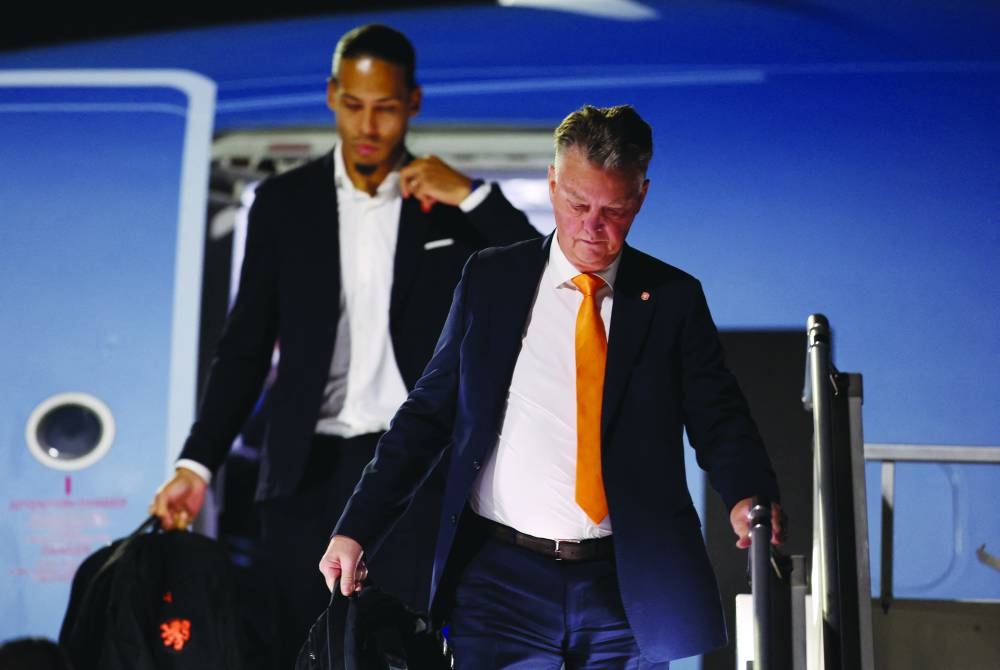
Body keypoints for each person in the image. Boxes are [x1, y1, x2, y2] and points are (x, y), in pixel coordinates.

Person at [319, 104, 786, 668]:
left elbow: (720, 416)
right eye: (577, 203)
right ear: (552, 182)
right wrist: (356, 528)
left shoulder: (673, 299)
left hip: (626, 584)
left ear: (640, 196)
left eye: (613, 210)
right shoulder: (492, 279)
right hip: (499, 582)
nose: (593, 227)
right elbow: (428, 416)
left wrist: (745, 494)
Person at [149, 23, 538, 667]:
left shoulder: (446, 204)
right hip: (304, 471)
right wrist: (196, 466)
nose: (367, 125)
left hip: (412, 472)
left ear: (412, 103)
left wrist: (472, 195)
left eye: (384, 107)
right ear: (332, 96)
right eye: (354, 105)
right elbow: (245, 346)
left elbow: (535, 271)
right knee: (301, 646)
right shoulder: (282, 202)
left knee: (408, 647)